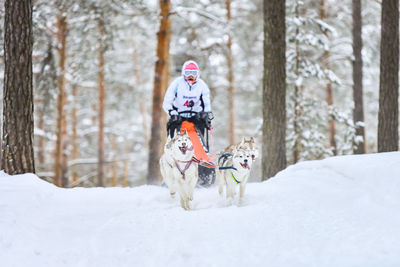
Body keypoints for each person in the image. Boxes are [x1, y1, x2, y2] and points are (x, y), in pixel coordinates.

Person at [163, 60, 213, 140]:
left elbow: (207, 103)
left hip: (196, 116)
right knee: (172, 125)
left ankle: (202, 147)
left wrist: (206, 114)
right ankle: (173, 145)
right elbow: (167, 102)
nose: (190, 76)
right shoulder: (176, 84)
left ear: (198, 74)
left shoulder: (202, 85)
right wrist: (172, 113)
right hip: (178, 116)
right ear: (183, 73)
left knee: (202, 123)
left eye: (193, 73)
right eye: (187, 73)